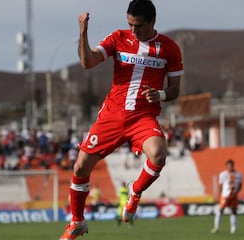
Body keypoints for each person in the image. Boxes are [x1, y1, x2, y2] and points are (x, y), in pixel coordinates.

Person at [59, 0, 183, 239]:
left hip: (143, 117)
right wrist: (82, 33)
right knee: (80, 166)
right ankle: (77, 222)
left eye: (139, 26)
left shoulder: (169, 48)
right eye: (130, 25)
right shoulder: (118, 38)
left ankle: (134, 192)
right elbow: (88, 62)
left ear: (152, 22)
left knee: (158, 153)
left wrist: (161, 94)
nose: (134, 31)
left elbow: (176, 89)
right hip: (112, 115)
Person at [211, 159, 243, 234]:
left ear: (233, 165)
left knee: (234, 211)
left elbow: (240, 185)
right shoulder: (223, 174)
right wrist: (220, 194)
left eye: (231, 165)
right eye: (228, 165)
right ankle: (216, 227)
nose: (230, 167)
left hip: (234, 195)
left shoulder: (238, 174)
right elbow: (221, 185)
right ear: (226, 166)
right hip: (225, 196)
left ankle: (233, 229)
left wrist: (236, 192)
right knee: (220, 210)